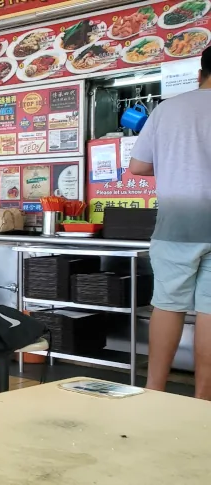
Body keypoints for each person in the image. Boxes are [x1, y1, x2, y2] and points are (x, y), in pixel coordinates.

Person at [128, 45, 211, 399]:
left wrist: (173, 163)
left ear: (200, 74)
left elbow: (138, 166)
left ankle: (154, 392)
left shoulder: (168, 109)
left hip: (177, 223)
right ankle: (204, 399)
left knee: (168, 304)